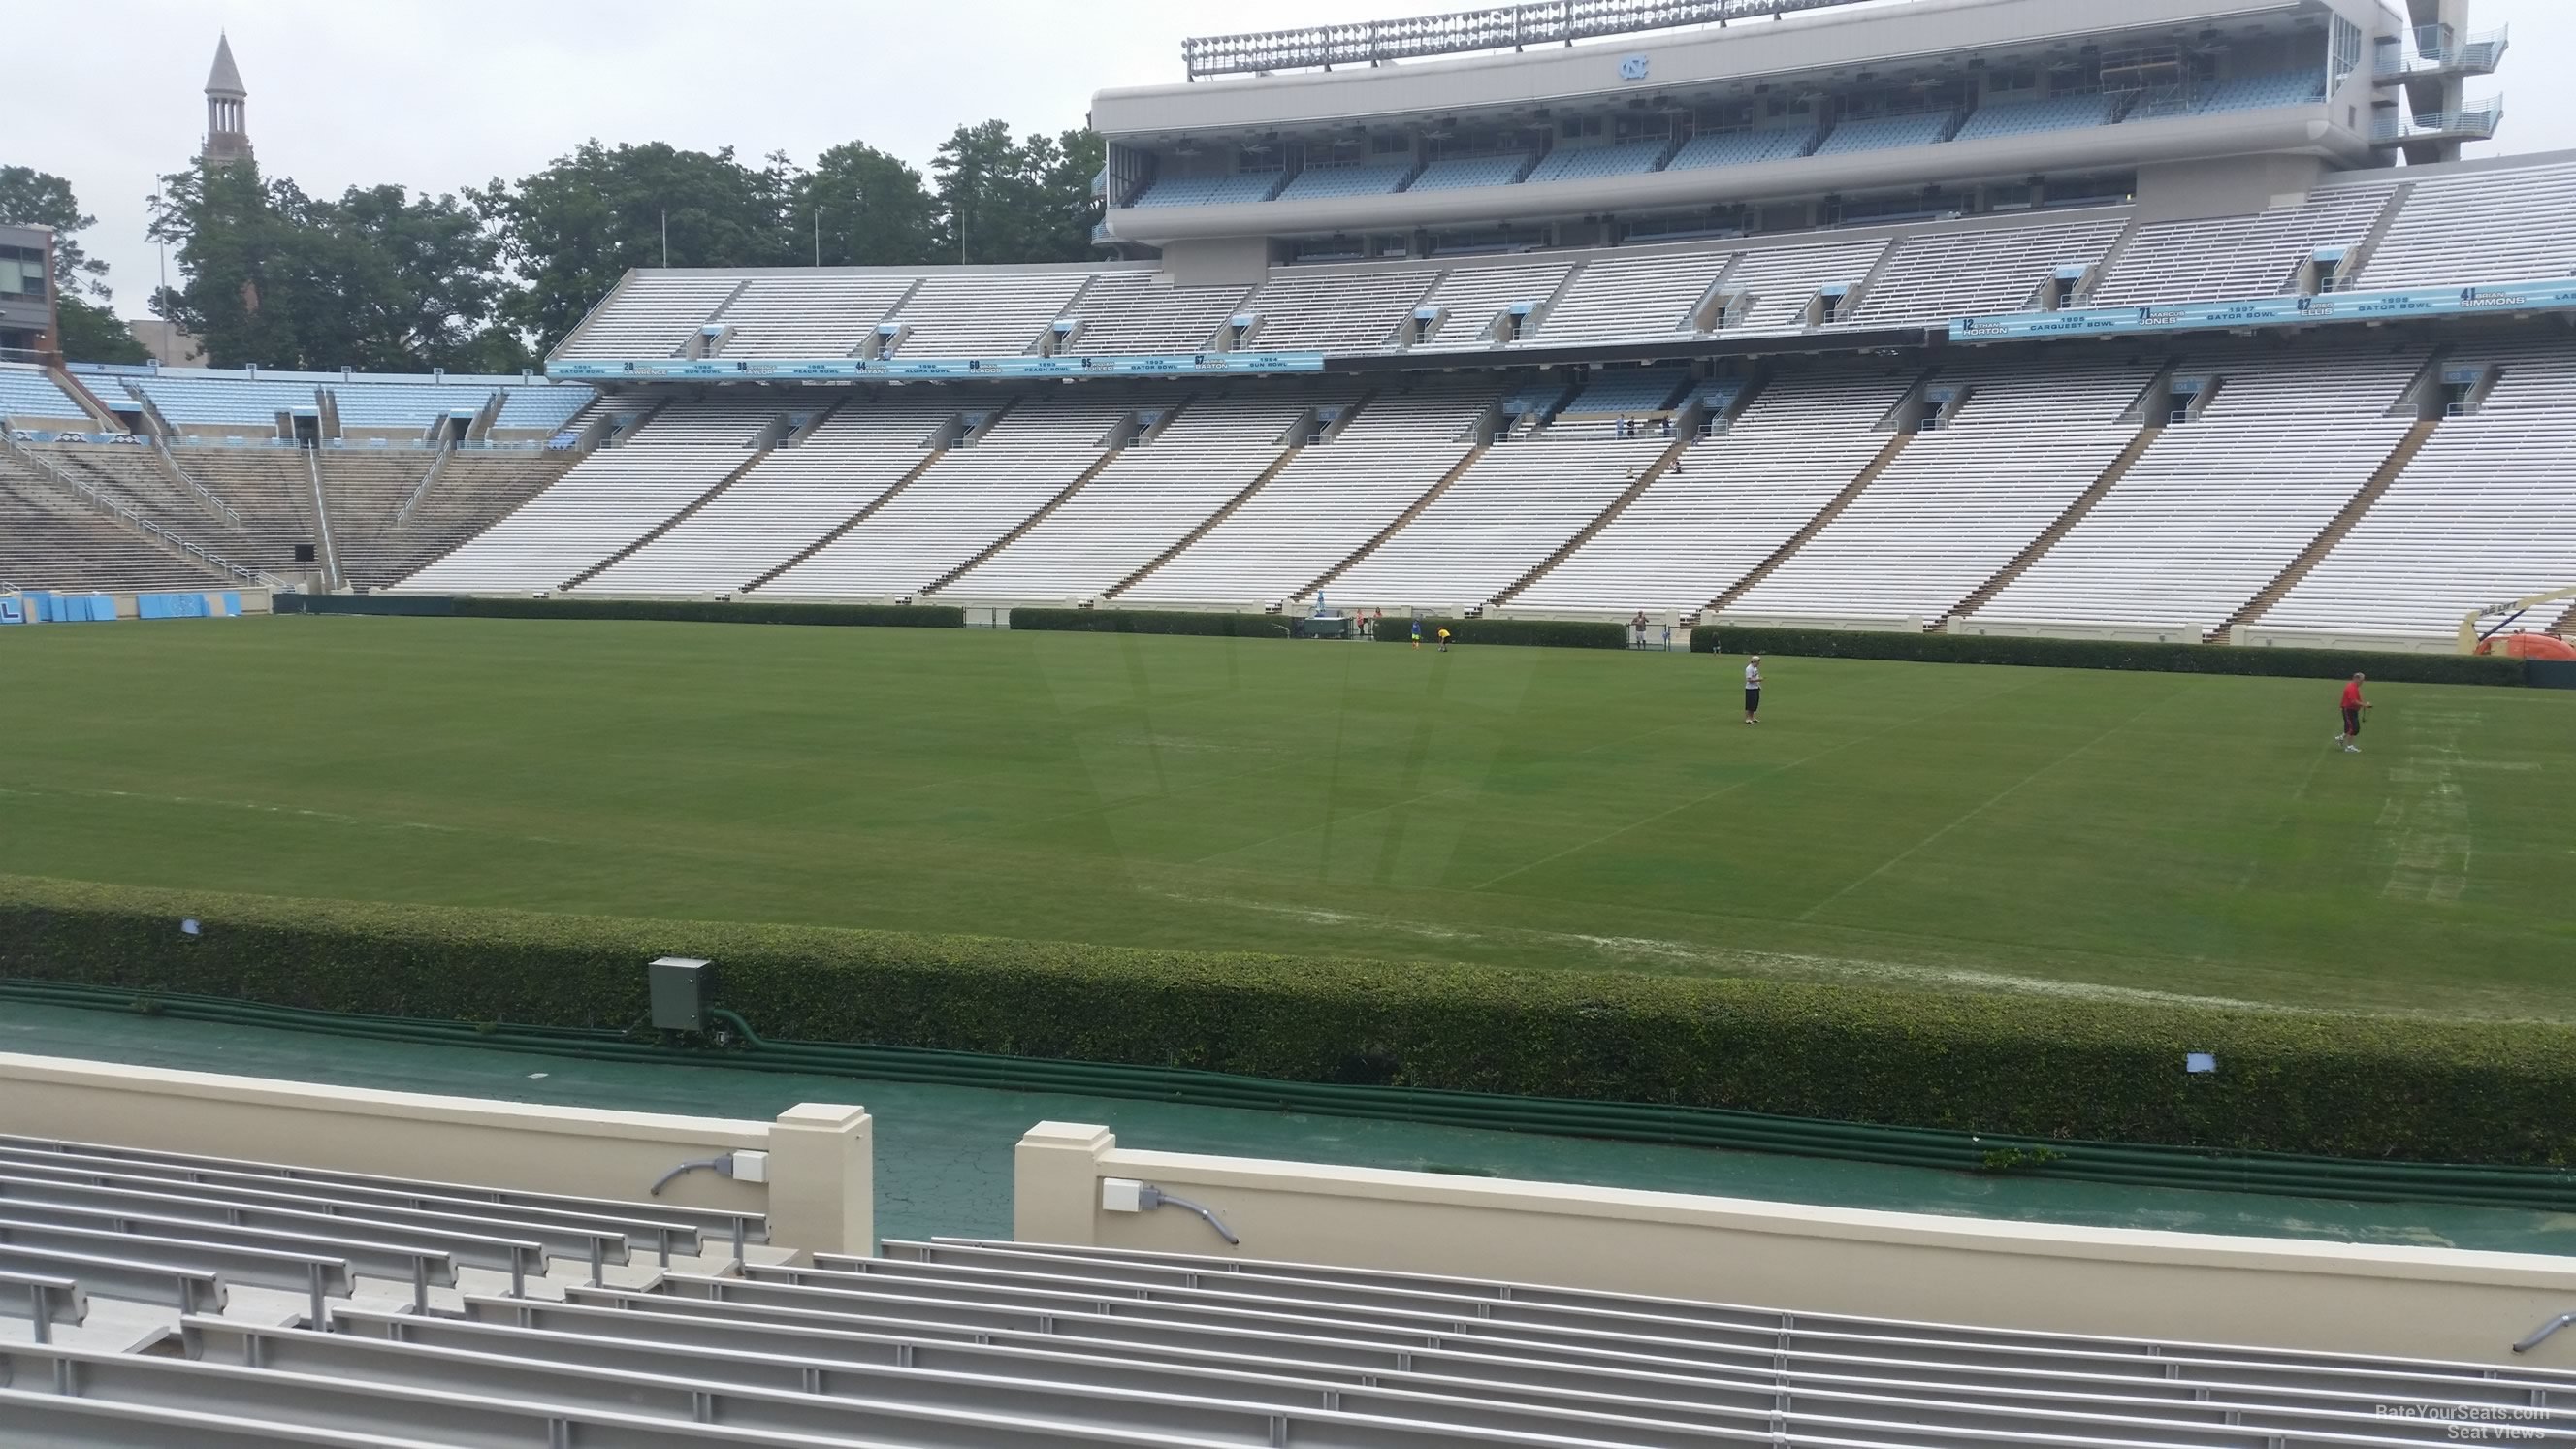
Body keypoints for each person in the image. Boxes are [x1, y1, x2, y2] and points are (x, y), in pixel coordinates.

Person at [2334, 672, 2370, 753]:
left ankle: (2341, 738)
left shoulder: (2354, 687)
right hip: (2348, 710)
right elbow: (2353, 701)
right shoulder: (2351, 687)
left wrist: (2363, 704)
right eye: (2361, 680)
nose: (2362, 682)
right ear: (2356, 679)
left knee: (2353, 728)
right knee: (2353, 728)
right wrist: (2364, 705)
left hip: (2352, 710)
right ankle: (2349, 746)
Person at [1743, 655, 1763, 724]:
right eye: (1758, 662)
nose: (1759, 664)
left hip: (1755, 688)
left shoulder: (1755, 668)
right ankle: (1748, 718)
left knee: (1755, 703)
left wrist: (1758, 685)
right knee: (1750, 704)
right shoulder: (1749, 669)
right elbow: (1749, 679)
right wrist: (1758, 680)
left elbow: (1755, 676)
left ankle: (1752, 717)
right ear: (1754, 662)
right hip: (1750, 689)